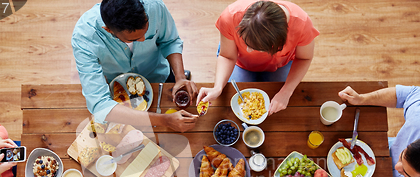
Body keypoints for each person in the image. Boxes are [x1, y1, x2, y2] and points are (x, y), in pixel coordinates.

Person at [72, 0, 198, 132]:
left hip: (158, 75)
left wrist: (180, 76)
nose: (143, 39)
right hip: (120, 91)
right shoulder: (84, 38)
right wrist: (164, 120)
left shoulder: (154, 6)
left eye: (146, 31)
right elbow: (100, 105)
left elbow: (170, 41)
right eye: (133, 40)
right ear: (108, 30)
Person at [197, 0, 319, 114]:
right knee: (231, 96)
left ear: (279, 43)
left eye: (255, 48)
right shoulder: (230, 16)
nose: (248, 50)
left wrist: (286, 92)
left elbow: (304, 58)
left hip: (280, 65)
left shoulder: (302, 24)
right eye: (245, 42)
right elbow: (228, 56)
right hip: (240, 64)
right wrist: (218, 87)